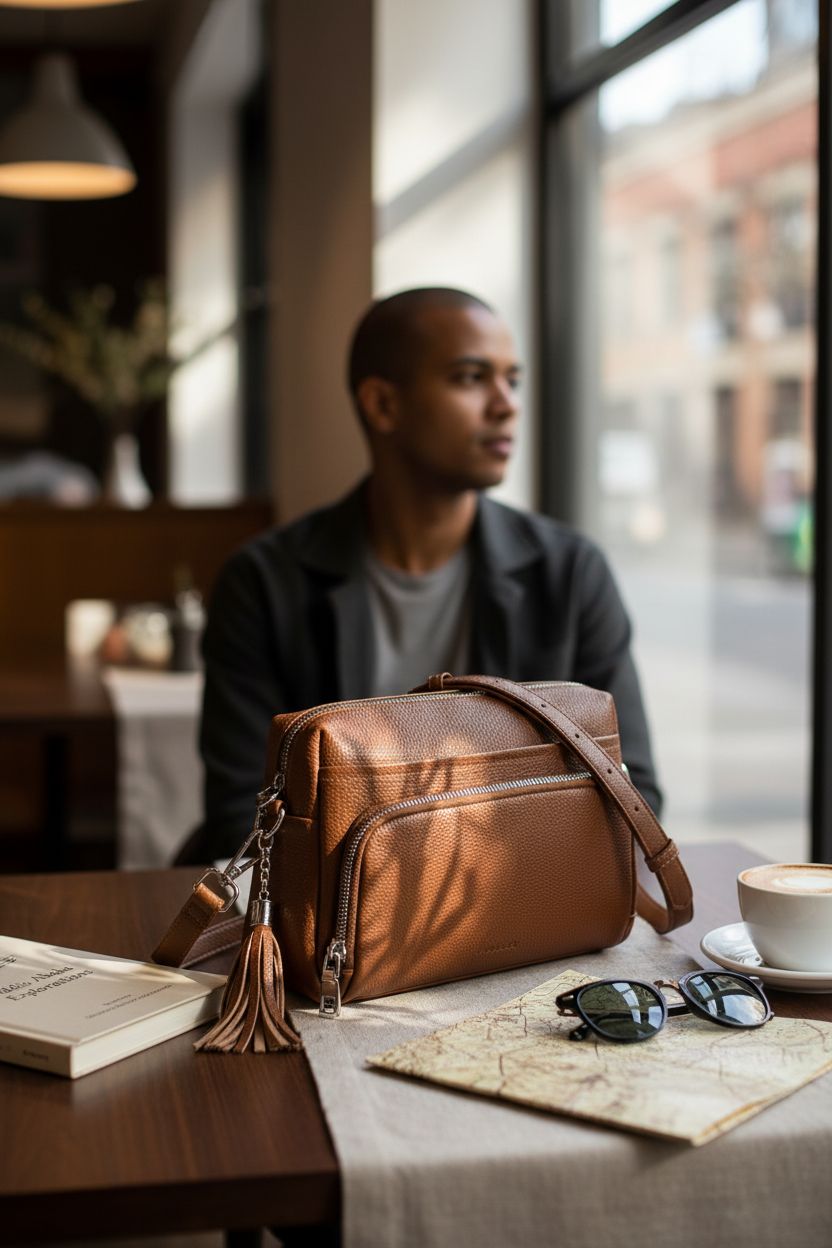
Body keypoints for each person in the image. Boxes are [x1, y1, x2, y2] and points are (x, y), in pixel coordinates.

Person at [178, 287, 660, 863]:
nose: (506, 404)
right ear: (383, 405)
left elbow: (636, 796)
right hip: (338, 924)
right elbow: (241, 813)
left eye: (512, 379)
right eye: (470, 377)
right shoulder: (263, 584)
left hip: (516, 908)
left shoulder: (569, 574)